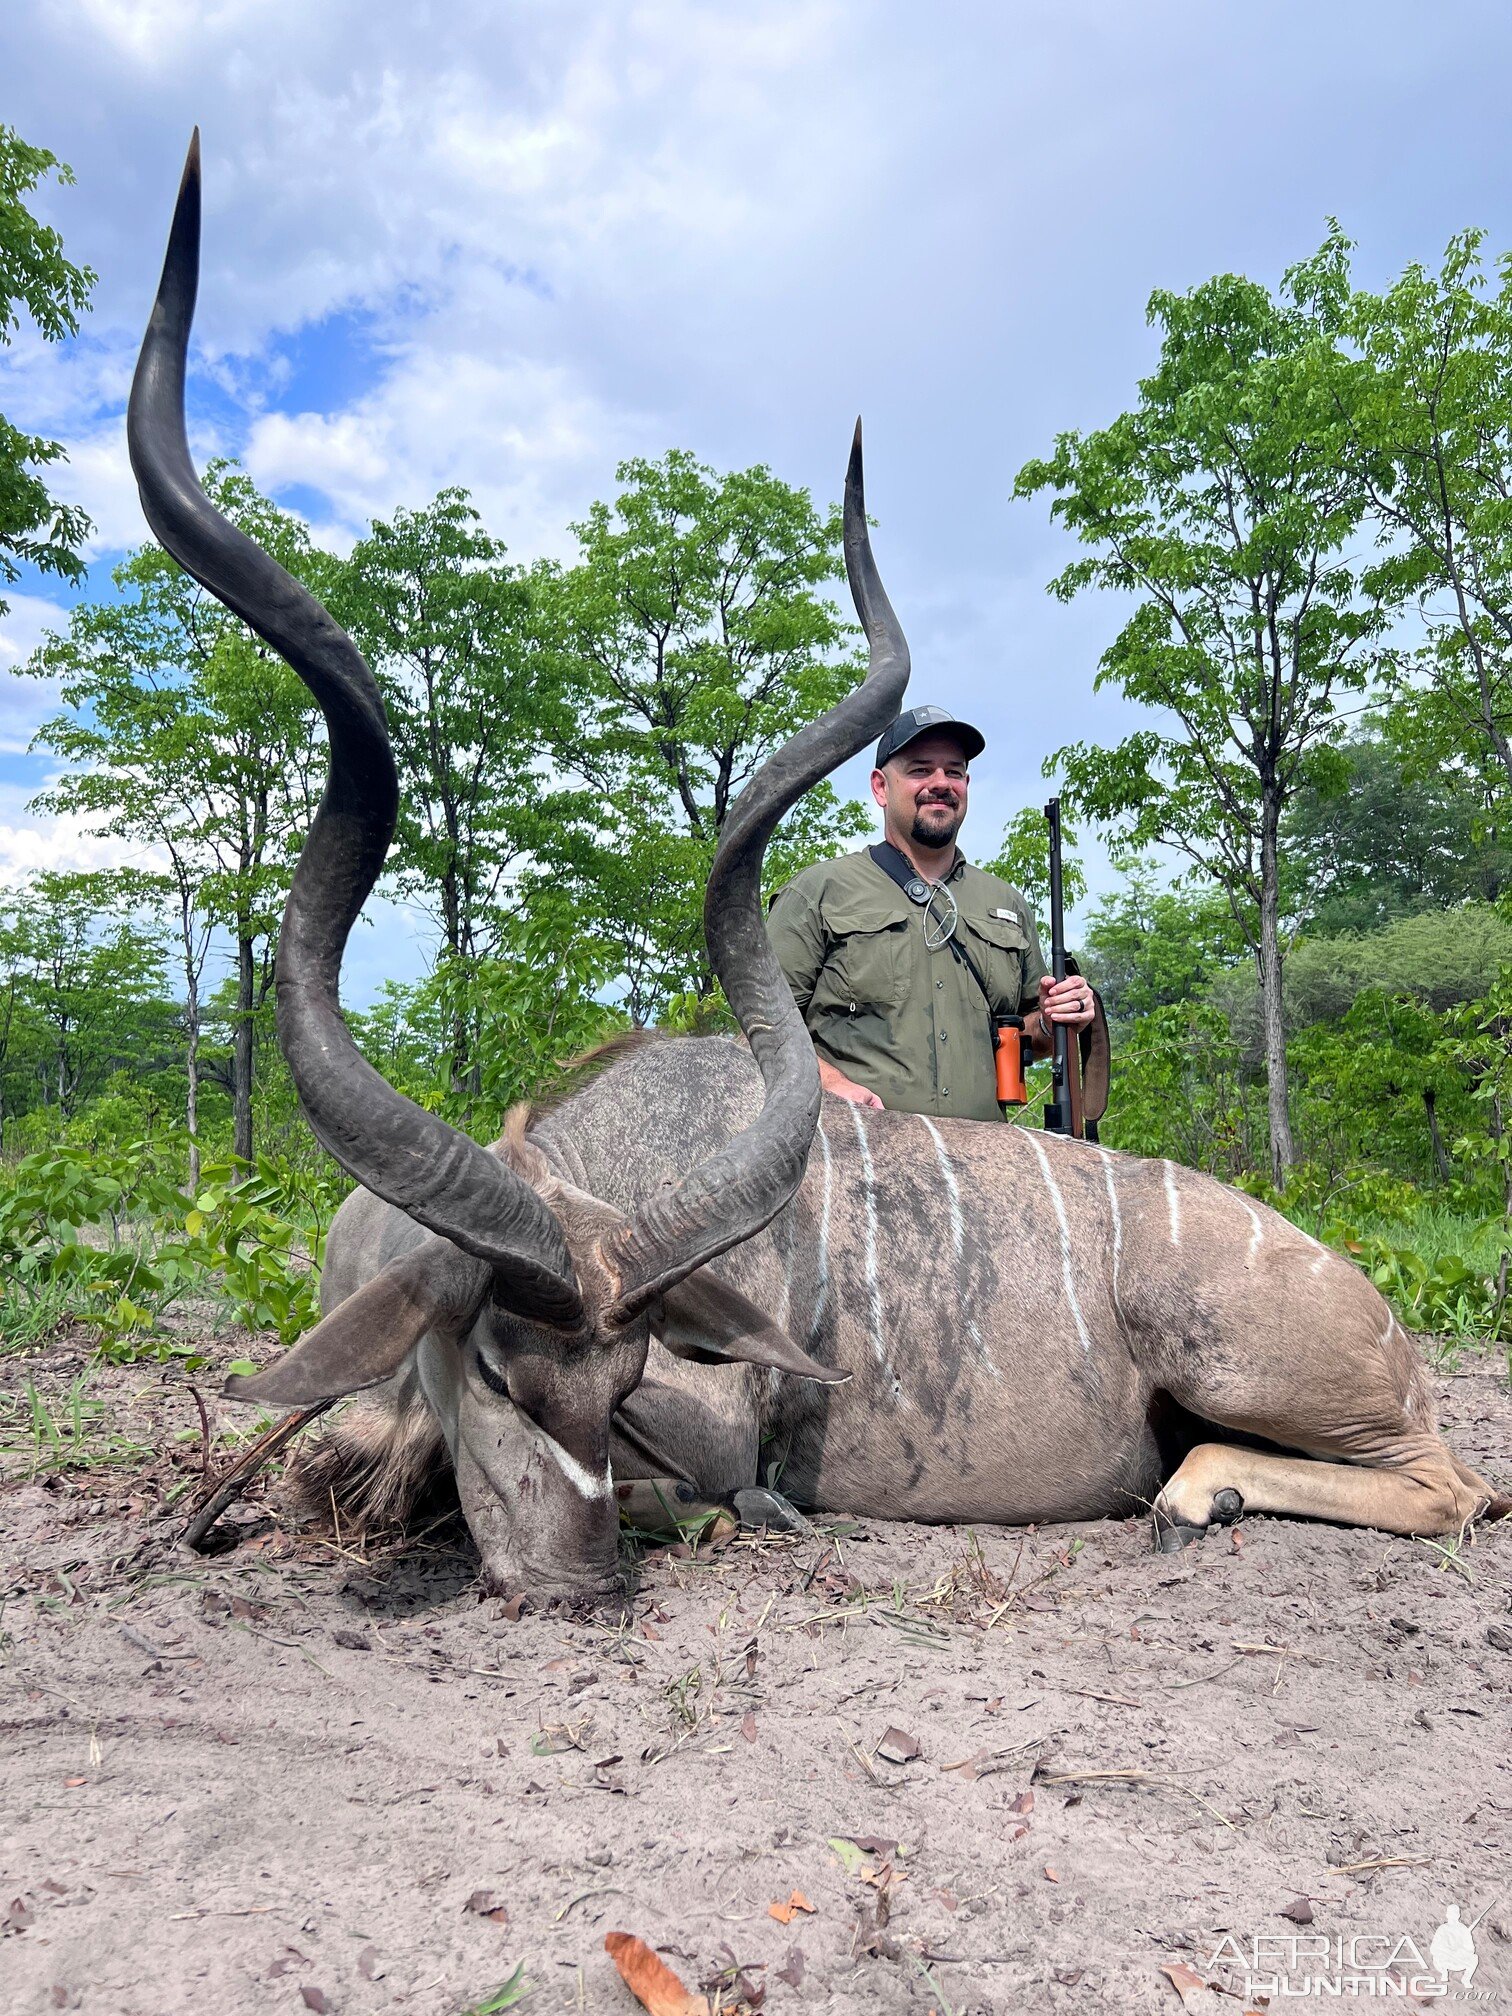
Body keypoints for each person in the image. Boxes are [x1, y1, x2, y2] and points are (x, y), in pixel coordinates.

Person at [767, 704, 1095, 1119]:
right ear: (881, 787)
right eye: (920, 770)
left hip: (984, 1163)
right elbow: (759, 1031)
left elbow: (1030, 1034)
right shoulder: (816, 893)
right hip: (856, 1160)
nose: (940, 783)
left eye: (953, 771)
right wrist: (832, 1085)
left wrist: (1055, 1019)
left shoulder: (1006, 903)